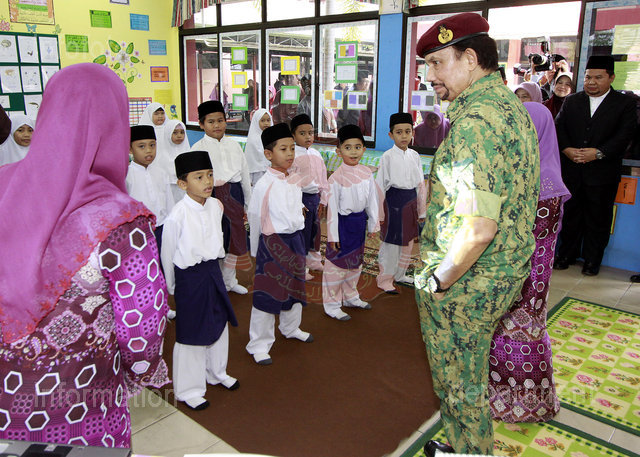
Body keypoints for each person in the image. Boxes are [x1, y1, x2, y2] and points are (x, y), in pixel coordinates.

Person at [0, 63, 169, 447]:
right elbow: (142, 331)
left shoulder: (4, 184)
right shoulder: (120, 221)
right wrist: (134, 377)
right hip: (83, 411)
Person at [414, 13, 539, 455]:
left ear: (470, 59)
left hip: (468, 281)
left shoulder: (475, 123)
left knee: (458, 384)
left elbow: (479, 228)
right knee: (468, 375)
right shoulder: (508, 105)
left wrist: (439, 280)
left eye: (437, 62)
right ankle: (463, 447)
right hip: (500, 271)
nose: (430, 76)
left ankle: (471, 450)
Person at [489, 102, 571, 423]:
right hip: (525, 276)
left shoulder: (539, 183)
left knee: (518, 330)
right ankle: (512, 400)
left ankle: (521, 404)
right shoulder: (527, 175)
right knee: (516, 329)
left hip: (522, 275)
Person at [160, 150, 240, 411]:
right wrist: (172, 286)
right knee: (192, 331)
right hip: (189, 278)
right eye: (199, 177)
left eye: (210, 175)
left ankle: (217, 372)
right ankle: (189, 389)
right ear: (182, 184)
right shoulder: (177, 215)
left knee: (219, 321)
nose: (207, 181)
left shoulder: (215, 206)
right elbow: (168, 254)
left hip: (212, 272)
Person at [554, 55, 637, 276]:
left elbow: (625, 135)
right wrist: (567, 149)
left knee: (598, 218)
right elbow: (559, 127)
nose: (591, 82)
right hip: (572, 171)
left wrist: (598, 153)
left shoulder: (624, 104)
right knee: (571, 215)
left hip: (603, 173)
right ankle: (566, 255)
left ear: (611, 78)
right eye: (588, 77)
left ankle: (592, 260)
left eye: (598, 78)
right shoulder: (572, 101)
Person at [246, 123, 313, 365]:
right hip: (273, 244)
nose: (290, 153)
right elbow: (255, 217)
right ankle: (258, 343)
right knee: (268, 293)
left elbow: (295, 206)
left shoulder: (294, 179)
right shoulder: (264, 184)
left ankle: (291, 327)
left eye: (292, 148)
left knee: (295, 287)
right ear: (268, 154)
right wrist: (256, 251)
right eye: (283, 149)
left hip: (295, 240)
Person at [192, 100, 252, 294]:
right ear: (201, 124)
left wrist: (248, 203)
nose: (216, 125)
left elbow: (245, 174)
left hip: (234, 194)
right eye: (211, 122)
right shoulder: (197, 149)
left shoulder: (234, 145)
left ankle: (230, 281)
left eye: (220, 120)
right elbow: (194, 182)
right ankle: (216, 281)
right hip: (211, 197)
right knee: (215, 240)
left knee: (234, 239)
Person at [322, 124, 379, 321]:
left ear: (364, 149)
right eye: (347, 147)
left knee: (355, 264)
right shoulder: (335, 179)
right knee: (336, 267)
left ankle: (351, 296)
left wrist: (373, 224)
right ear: (338, 151)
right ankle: (332, 304)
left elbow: (372, 200)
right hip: (342, 225)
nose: (353, 152)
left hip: (359, 223)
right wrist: (333, 236)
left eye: (357, 147)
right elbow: (331, 211)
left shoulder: (367, 173)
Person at [376, 112, 426, 294]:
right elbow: (380, 186)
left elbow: (420, 185)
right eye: (399, 132)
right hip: (394, 204)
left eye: (407, 131)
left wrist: (421, 211)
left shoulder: (415, 156)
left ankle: (400, 274)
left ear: (413, 132)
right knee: (392, 244)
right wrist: (380, 214)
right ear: (391, 135)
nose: (404, 136)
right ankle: (384, 279)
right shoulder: (387, 157)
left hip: (411, 202)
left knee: (408, 243)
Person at [290, 113, 328, 276]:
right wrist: (298, 203)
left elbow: (323, 178)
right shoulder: (292, 156)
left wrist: (324, 199)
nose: (308, 137)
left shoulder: (316, 154)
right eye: (302, 133)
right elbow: (290, 182)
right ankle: (300, 265)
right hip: (301, 198)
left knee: (315, 231)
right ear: (293, 135)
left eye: (310, 133)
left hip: (315, 199)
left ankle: (314, 260)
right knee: (302, 233)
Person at [126, 125, 174, 254]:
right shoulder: (127, 175)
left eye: (152, 145)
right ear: (130, 149)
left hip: (162, 229)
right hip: (139, 232)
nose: (148, 150)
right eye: (141, 146)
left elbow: (169, 202)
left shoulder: (161, 172)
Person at [159, 119, 191, 202]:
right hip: (168, 192)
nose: (179, 136)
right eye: (175, 132)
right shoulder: (160, 156)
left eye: (182, 132)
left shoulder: (188, 153)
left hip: (185, 191)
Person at [245, 108, 272, 185]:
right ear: (256, 121)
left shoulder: (272, 137)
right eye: (262, 121)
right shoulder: (253, 139)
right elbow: (249, 161)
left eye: (268, 120)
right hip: (257, 174)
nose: (266, 123)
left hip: (270, 172)